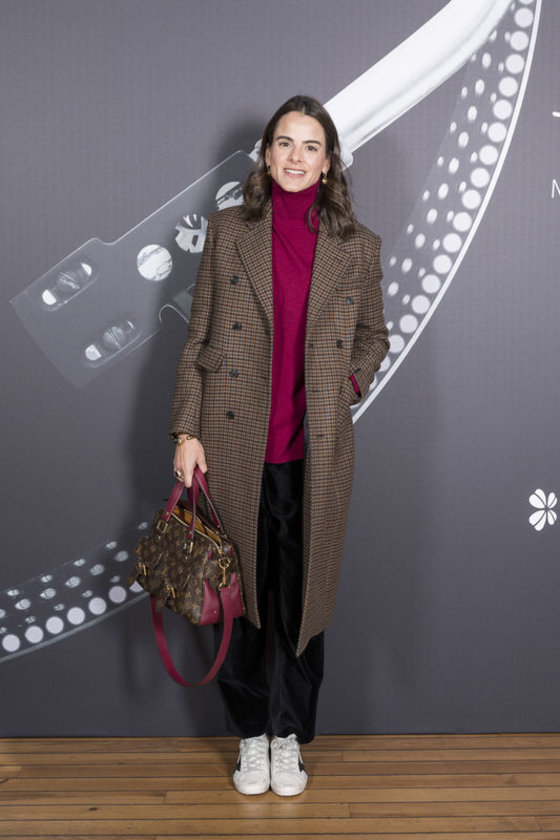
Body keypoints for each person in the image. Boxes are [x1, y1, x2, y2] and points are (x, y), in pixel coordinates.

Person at [169, 94, 389, 796]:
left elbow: (374, 336)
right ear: (266, 155)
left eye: (310, 146)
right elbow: (198, 340)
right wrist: (186, 430)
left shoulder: (359, 246)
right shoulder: (228, 230)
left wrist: (345, 384)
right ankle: (250, 737)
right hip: (231, 445)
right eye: (285, 144)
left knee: (302, 601)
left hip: (313, 452)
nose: (296, 157)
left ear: (328, 163)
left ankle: (288, 736)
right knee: (238, 602)